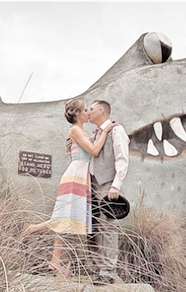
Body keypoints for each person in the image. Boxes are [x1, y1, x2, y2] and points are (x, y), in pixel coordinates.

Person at [21, 98, 117, 277]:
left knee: (66, 218)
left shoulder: (79, 131)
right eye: (85, 110)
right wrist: (106, 129)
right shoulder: (75, 130)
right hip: (75, 177)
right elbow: (94, 151)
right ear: (78, 114)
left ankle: (54, 260)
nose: (87, 112)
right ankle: (33, 230)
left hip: (80, 177)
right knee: (64, 217)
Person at [87, 100, 130, 285]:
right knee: (96, 227)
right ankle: (99, 269)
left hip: (107, 185)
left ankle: (108, 272)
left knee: (109, 227)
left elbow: (122, 158)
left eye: (91, 109)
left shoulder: (116, 130)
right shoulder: (95, 133)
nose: (88, 112)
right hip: (93, 185)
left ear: (102, 111)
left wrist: (115, 185)